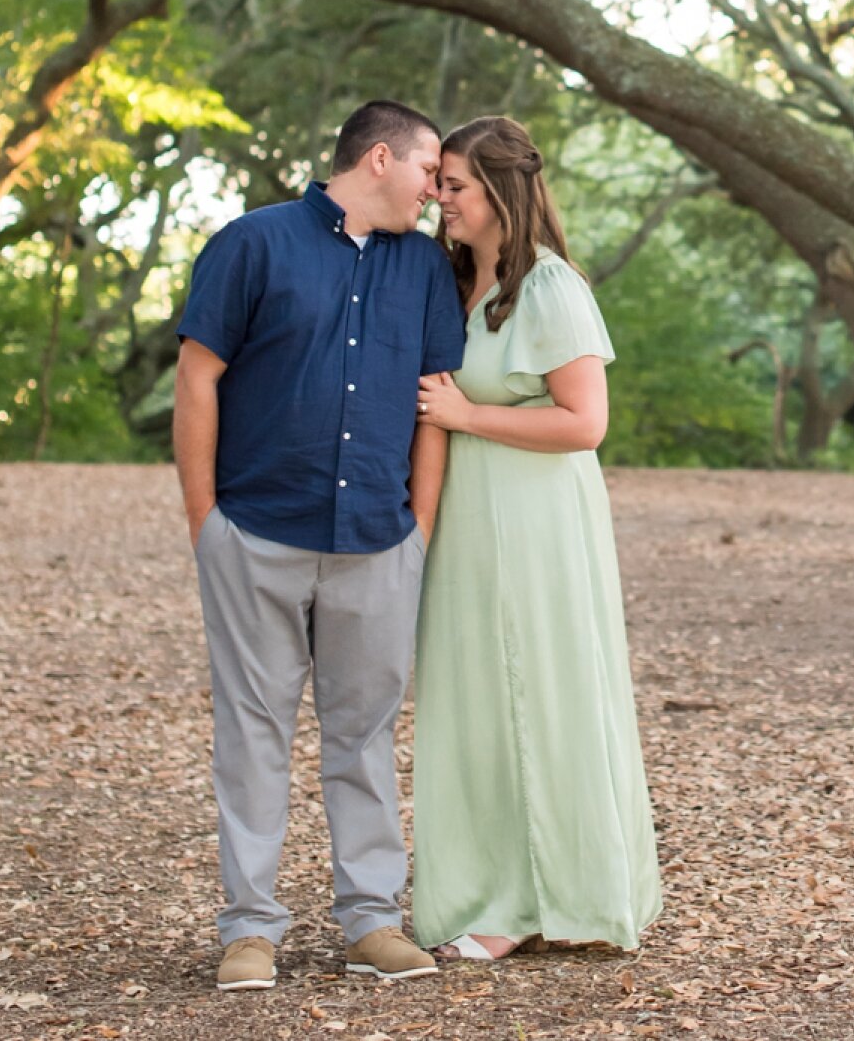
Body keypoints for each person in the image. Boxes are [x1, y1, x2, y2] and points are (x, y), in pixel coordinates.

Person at [173, 99, 466, 992]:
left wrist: (418, 528)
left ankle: (371, 919)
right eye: (429, 174)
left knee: (365, 735)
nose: (437, 193)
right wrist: (205, 523)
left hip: (378, 541)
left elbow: (434, 397)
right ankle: (249, 929)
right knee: (253, 736)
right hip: (255, 532)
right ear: (381, 159)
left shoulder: (423, 268)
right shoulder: (250, 243)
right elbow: (198, 377)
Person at [410, 114, 662, 960]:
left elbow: (586, 422)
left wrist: (466, 412)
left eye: (454, 185)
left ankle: (534, 899)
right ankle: (492, 883)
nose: (437, 198)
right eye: (438, 182)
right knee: (478, 699)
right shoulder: (452, 282)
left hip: (538, 523)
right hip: (471, 523)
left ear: (501, 191)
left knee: (537, 691)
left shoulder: (551, 286)